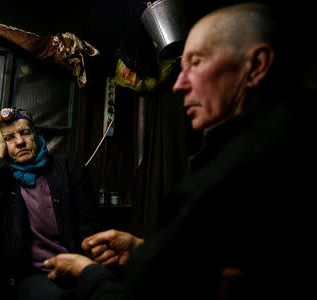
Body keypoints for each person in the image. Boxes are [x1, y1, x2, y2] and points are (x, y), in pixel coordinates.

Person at [44, 2, 314, 299]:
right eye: (181, 68)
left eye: (196, 63)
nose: (178, 85)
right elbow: (202, 268)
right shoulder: (240, 151)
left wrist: (86, 272)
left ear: (256, 65)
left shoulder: (251, 170)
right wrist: (142, 250)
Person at [0, 108, 100, 300]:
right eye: (9, 138)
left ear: (35, 134)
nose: (19, 141)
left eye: (25, 132)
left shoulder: (67, 168)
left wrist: (86, 268)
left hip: (76, 265)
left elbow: (89, 225)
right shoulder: (2, 178)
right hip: (31, 275)